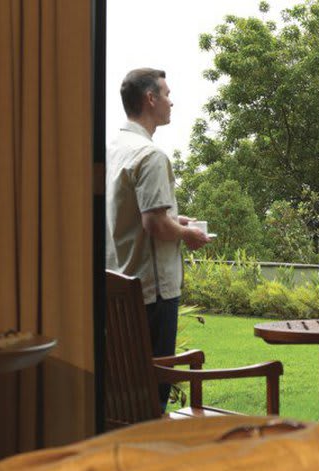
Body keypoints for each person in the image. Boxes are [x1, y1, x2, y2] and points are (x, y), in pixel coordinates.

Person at [106, 68, 210, 410]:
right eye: (166, 94)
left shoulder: (113, 151)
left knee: (123, 395)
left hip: (118, 285)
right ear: (150, 99)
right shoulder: (151, 156)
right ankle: (150, 451)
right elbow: (154, 225)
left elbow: (133, 217)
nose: (171, 101)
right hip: (154, 293)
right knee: (152, 394)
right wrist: (188, 233)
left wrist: (171, 220)